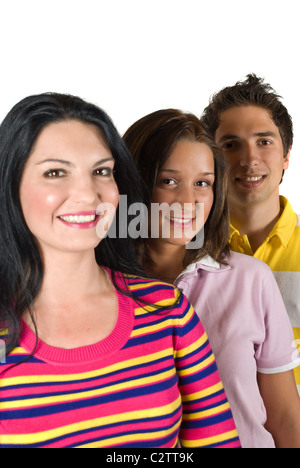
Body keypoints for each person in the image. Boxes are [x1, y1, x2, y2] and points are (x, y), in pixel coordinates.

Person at [0, 93, 239, 449]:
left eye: (101, 171)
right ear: (11, 184)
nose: (87, 194)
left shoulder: (167, 310)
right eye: (55, 172)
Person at [123, 108, 300, 448]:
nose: (188, 201)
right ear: (134, 182)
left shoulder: (251, 279)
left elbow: (285, 419)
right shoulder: (95, 285)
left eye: (202, 183)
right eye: (168, 181)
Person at [201, 74, 300, 393]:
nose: (249, 160)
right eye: (230, 145)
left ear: (287, 156)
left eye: (264, 141)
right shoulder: (182, 252)